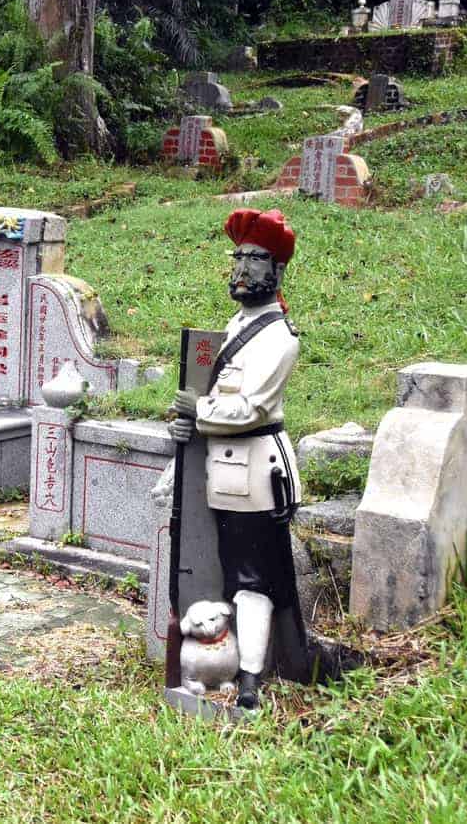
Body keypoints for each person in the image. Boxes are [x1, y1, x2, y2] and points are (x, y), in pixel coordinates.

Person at [167, 207, 307, 709]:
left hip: (253, 471)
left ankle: (249, 680)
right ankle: (223, 663)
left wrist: (199, 408)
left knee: (252, 580)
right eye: (239, 257)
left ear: (278, 271)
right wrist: (189, 419)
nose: (243, 269)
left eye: (256, 260)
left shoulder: (278, 337)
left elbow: (253, 407)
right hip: (221, 471)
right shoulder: (237, 322)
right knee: (231, 572)